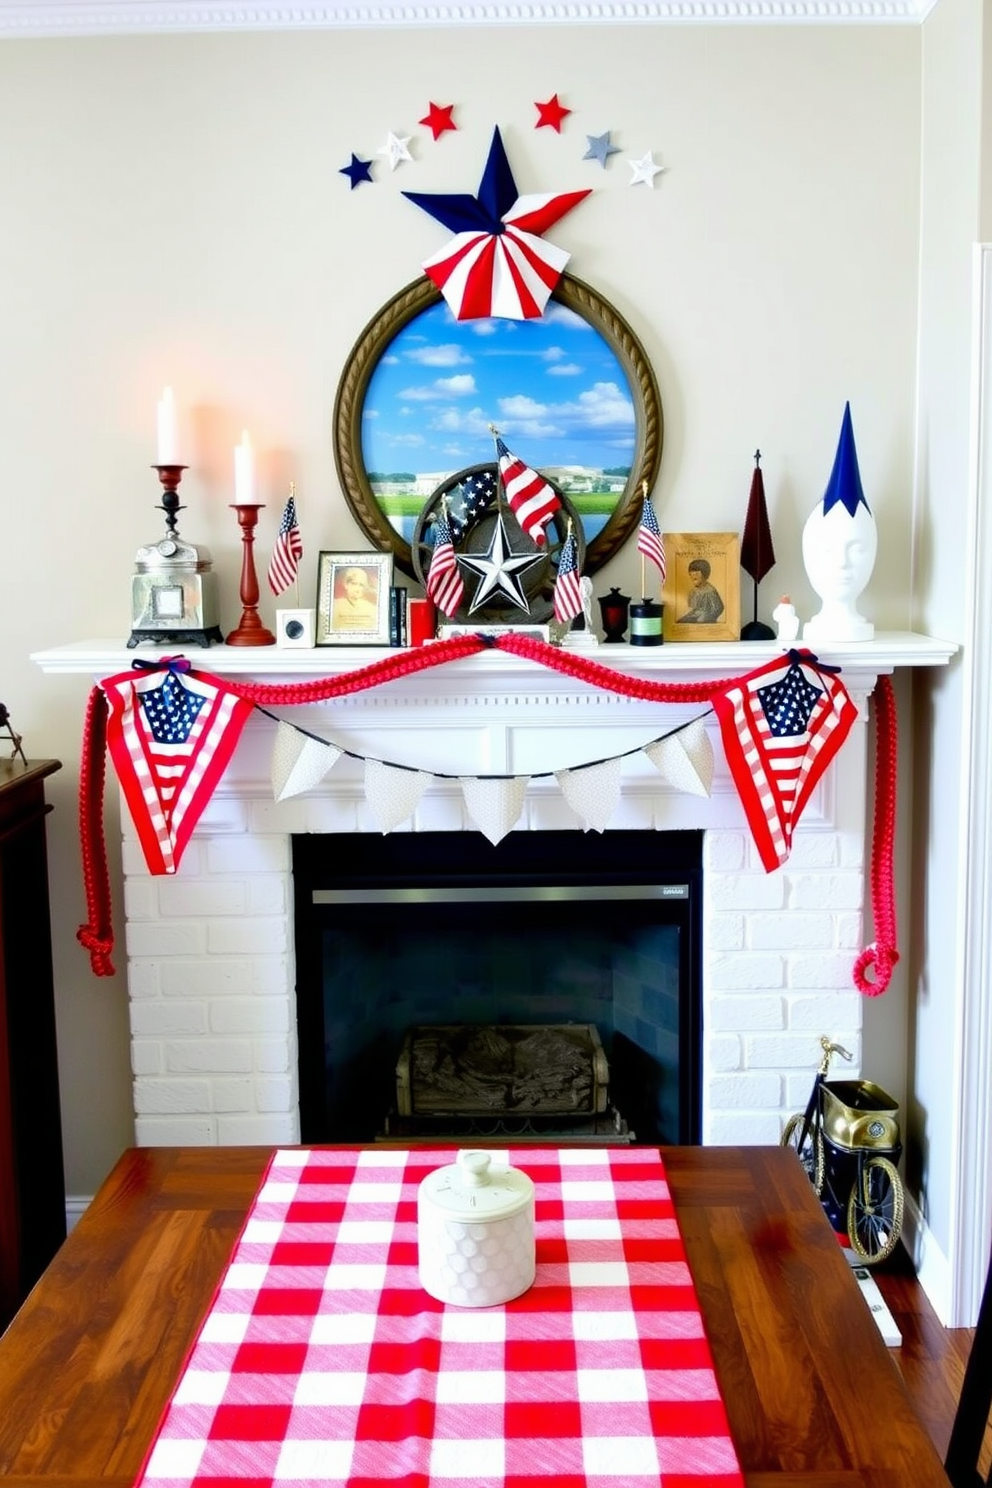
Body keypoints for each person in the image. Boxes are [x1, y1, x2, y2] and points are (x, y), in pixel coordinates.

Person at [677, 558, 724, 624]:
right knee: (680, 622)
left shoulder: (710, 591)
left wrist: (705, 617)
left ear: (704, 574)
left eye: (696, 573)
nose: (693, 575)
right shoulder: (693, 592)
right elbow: (692, 608)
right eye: (691, 574)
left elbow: (719, 608)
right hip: (695, 616)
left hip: (705, 619)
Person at [331, 566, 379, 630]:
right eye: (353, 583)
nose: (357, 589)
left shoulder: (372, 609)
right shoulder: (335, 605)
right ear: (346, 585)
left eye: (361, 585)